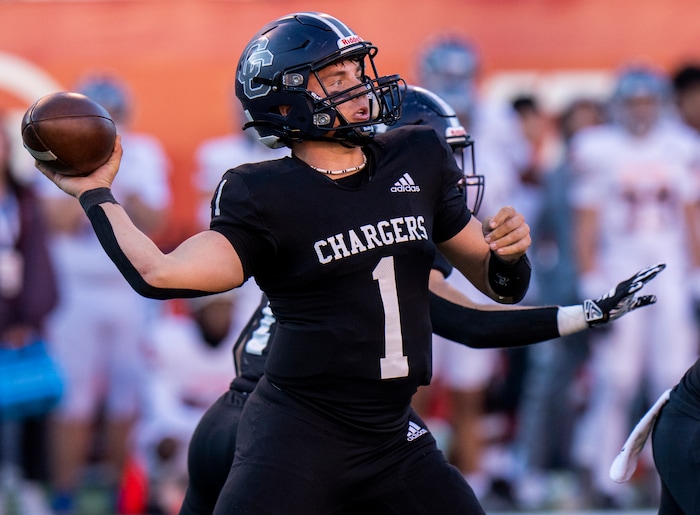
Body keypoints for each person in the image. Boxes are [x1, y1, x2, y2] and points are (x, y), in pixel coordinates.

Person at [36, 11, 533, 512]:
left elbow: (500, 285)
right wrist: (96, 193)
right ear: (288, 97)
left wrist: (510, 255)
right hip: (298, 432)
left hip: (389, 433)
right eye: (338, 79)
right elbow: (159, 273)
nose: (360, 88)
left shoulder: (418, 154)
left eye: (358, 73)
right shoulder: (262, 191)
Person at [178, 85, 664, 515]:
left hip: (249, 415)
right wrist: (584, 314)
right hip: (302, 432)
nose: (451, 176)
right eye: (441, 159)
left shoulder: (336, 204)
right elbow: (465, 321)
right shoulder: (383, 218)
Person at [37, 73, 171, 514]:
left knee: (127, 394)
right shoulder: (58, 147)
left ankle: (120, 495)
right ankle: (64, 493)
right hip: (76, 290)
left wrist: (110, 183)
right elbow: (56, 221)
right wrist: (94, 181)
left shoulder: (142, 152)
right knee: (72, 396)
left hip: (127, 285)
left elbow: (153, 219)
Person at [570, 64, 700, 508]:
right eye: (634, 102)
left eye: (648, 102)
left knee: (675, 377)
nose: (642, 111)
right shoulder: (598, 147)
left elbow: (689, 218)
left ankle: (676, 477)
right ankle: (605, 477)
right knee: (616, 378)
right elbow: (584, 223)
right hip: (620, 276)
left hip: (674, 274)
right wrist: (590, 280)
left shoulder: (681, 145)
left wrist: (696, 276)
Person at [414, 35, 535, 499]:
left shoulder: (496, 123)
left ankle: (474, 485)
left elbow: (504, 198)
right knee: (412, 384)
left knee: (469, 388)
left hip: (472, 262)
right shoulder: (410, 114)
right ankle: (405, 479)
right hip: (422, 264)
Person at [0, 114, 58, 515]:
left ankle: (34, 486)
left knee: (32, 407)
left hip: (20, 326)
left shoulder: (24, 200)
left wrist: (28, 319)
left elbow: (38, 261)